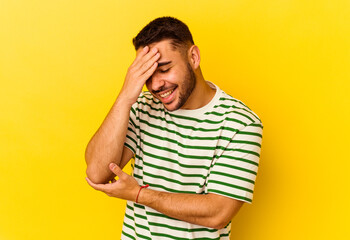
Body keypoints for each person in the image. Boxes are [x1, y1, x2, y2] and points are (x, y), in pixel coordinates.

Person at [85, 16, 263, 239]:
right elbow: (97, 173)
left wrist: (138, 194)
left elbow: (218, 212)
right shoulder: (142, 108)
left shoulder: (240, 123)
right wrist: (125, 97)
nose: (155, 85)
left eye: (164, 69)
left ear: (194, 57)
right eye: (147, 76)